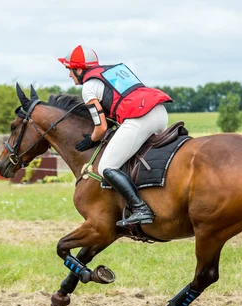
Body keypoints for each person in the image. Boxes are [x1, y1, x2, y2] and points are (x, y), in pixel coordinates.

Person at [58, 45, 172, 227]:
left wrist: (91, 140)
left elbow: (101, 127)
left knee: (106, 167)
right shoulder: (113, 71)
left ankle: (141, 208)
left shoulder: (88, 87)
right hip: (160, 113)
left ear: (79, 69)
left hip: (140, 118)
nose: (70, 75)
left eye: (70, 70)